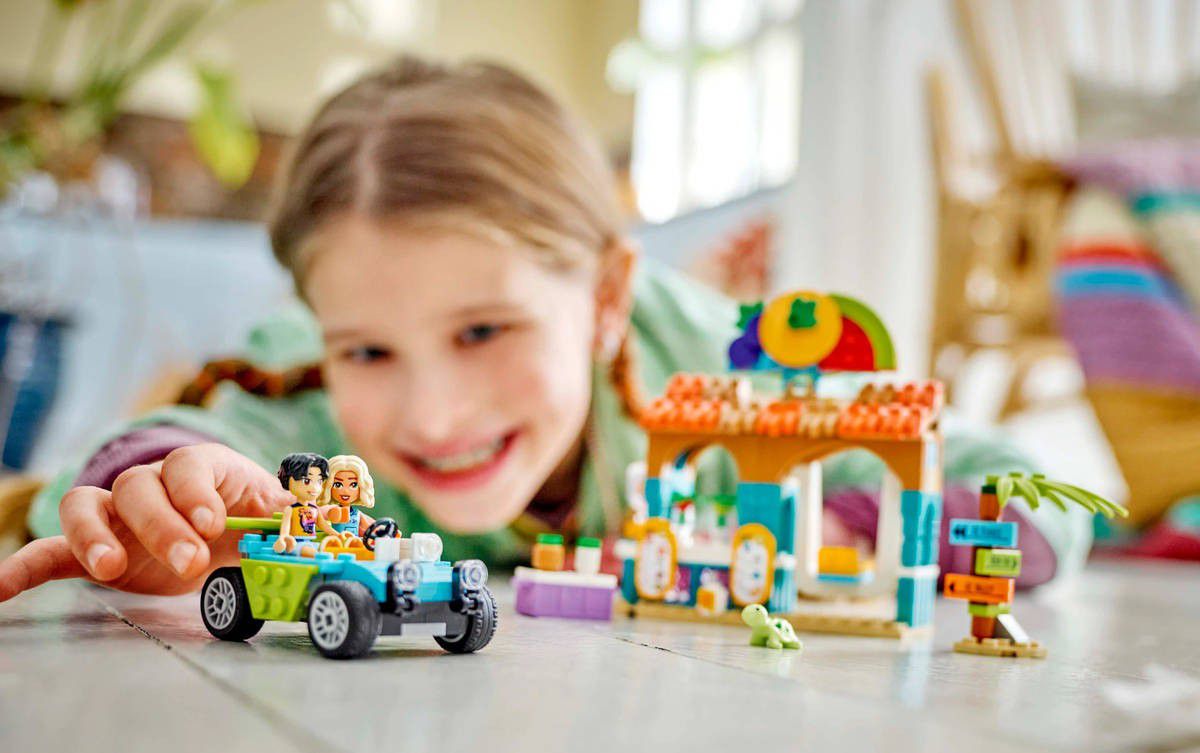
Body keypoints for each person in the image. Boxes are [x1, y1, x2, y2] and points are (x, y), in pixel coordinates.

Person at [0, 56, 1087, 603]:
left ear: (608, 299)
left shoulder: (730, 375)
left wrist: (823, 535)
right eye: (367, 349)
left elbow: (1027, 494)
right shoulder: (301, 390)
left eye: (485, 330)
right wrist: (157, 500)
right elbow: (88, 494)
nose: (434, 415)